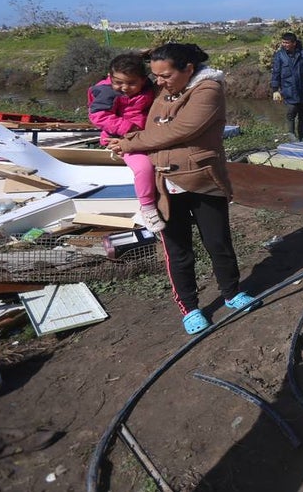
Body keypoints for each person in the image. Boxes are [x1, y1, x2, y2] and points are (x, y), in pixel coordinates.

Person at [107, 43, 254, 335]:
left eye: (165, 75)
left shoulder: (208, 90)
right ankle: (190, 308)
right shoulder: (163, 90)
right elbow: (120, 89)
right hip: (165, 184)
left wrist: (131, 142)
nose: (158, 82)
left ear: (188, 69)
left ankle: (231, 293)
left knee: (218, 243)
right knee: (178, 251)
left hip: (202, 180)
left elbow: (181, 130)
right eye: (155, 76)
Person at [87, 53, 164, 232]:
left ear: (143, 80)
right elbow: (98, 116)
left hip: (144, 136)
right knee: (144, 167)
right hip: (120, 138)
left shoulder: (149, 89)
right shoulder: (108, 92)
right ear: (110, 77)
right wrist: (128, 128)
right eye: (118, 82)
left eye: (131, 83)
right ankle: (147, 208)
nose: (124, 88)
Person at [270, 32, 303, 141]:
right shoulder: (280, 55)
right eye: (283, 42)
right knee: (291, 111)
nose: (284, 45)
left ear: (294, 43)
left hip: (302, 89)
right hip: (288, 89)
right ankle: (291, 134)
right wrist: (275, 89)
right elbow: (276, 73)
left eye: (287, 43)